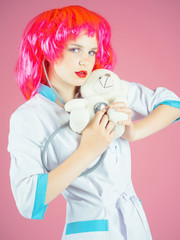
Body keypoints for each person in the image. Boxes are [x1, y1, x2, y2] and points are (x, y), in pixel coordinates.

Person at [8, 5, 180, 240]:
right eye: (75, 49)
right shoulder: (28, 118)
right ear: (47, 49)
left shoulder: (105, 88)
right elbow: (28, 201)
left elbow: (172, 104)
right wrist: (88, 149)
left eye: (92, 52)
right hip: (90, 231)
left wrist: (133, 132)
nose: (85, 61)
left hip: (135, 225)